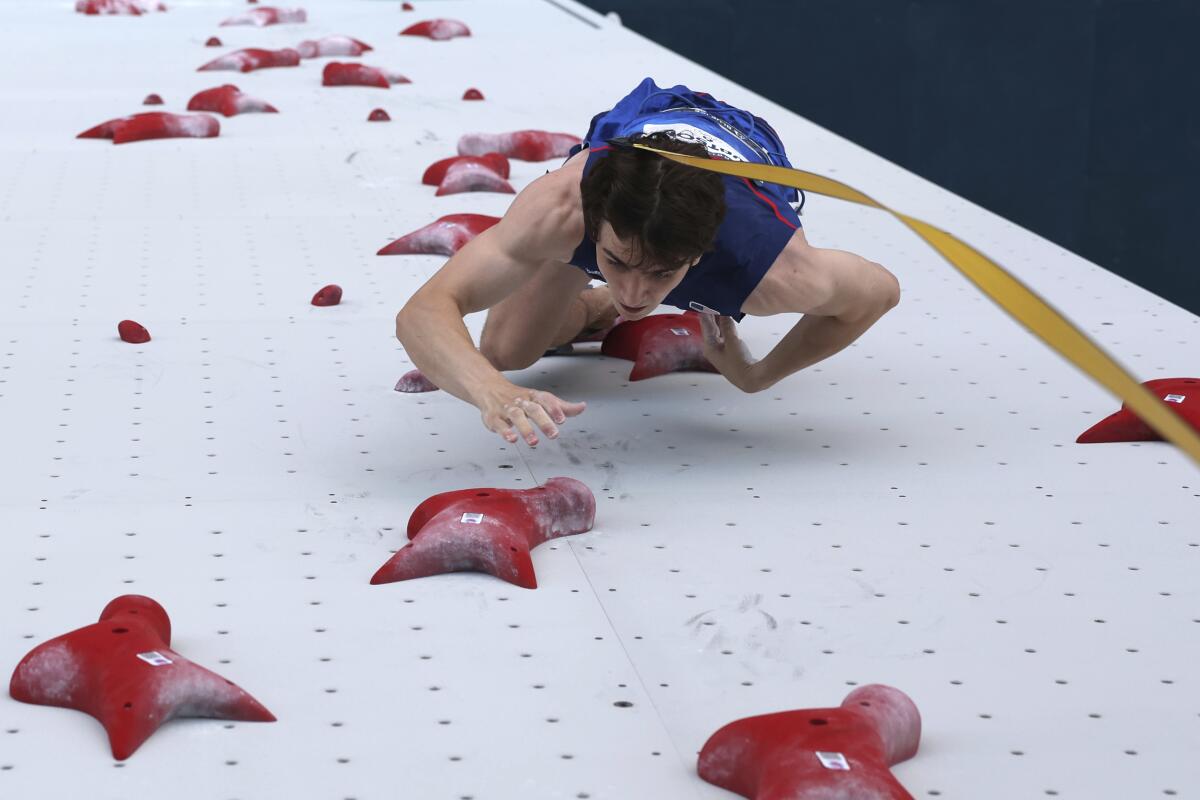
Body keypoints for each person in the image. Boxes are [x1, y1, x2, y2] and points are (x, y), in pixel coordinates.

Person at [395, 77, 900, 449]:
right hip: (641, 129)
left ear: (700, 257)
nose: (635, 293)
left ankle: (608, 284)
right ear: (592, 225)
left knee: (515, 340)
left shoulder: (774, 270)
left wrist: (757, 374)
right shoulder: (561, 208)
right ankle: (594, 305)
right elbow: (422, 311)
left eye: (663, 273)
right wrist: (491, 390)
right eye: (615, 261)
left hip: (741, 146)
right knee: (504, 350)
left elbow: (879, 293)